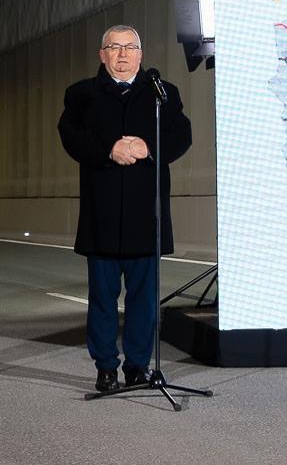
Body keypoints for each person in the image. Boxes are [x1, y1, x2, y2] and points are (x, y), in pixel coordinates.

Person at [56, 25, 192, 392]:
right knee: (102, 298)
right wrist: (108, 150)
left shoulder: (162, 93)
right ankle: (105, 368)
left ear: (141, 55)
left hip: (147, 215)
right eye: (114, 47)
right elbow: (71, 137)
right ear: (102, 54)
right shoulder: (81, 94)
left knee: (143, 301)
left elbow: (182, 135)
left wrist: (149, 148)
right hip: (101, 214)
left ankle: (137, 366)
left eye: (130, 47)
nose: (122, 54)